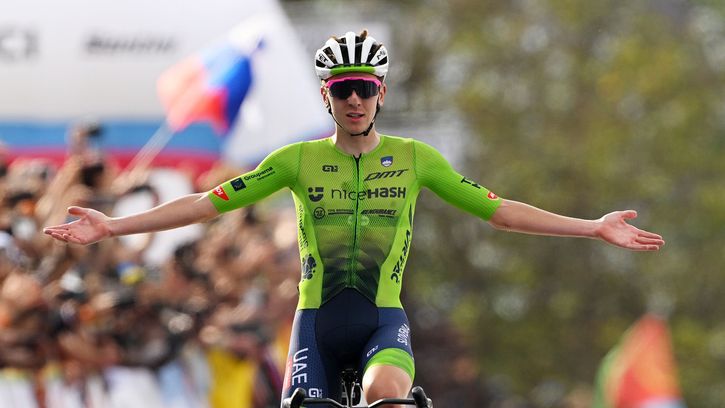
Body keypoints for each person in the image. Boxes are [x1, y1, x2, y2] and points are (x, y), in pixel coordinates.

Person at [44, 30, 665, 407]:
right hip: (315, 322)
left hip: (380, 319)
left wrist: (591, 227)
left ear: (381, 93)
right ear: (327, 97)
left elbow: (499, 212)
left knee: (383, 395)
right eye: (342, 90)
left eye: (365, 88)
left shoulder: (417, 159)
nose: (355, 100)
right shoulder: (295, 161)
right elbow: (206, 205)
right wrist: (113, 226)